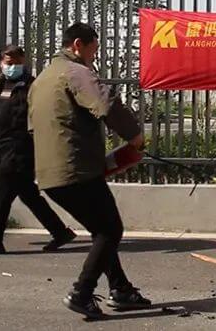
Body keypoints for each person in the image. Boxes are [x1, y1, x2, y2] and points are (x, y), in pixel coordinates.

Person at [28, 23, 151, 319]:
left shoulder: (42, 79)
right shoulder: (75, 72)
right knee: (110, 230)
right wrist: (135, 137)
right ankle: (81, 293)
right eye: (93, 50)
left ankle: (120, 289)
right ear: (78, 45)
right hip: (77, 171)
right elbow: (106, 105)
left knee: (101, 231)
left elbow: (35, 127)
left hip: (50, 175)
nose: (93, 57)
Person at [0, 45, 76, 256]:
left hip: (19, 148)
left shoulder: (31, 85)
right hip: (2, 146)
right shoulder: (2, 83)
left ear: (23, 62)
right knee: (28, 194)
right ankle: (60, 232)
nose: (13, 67)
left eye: (17, 63)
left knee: (0, 196)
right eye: (9, 63)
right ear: (1, 63)